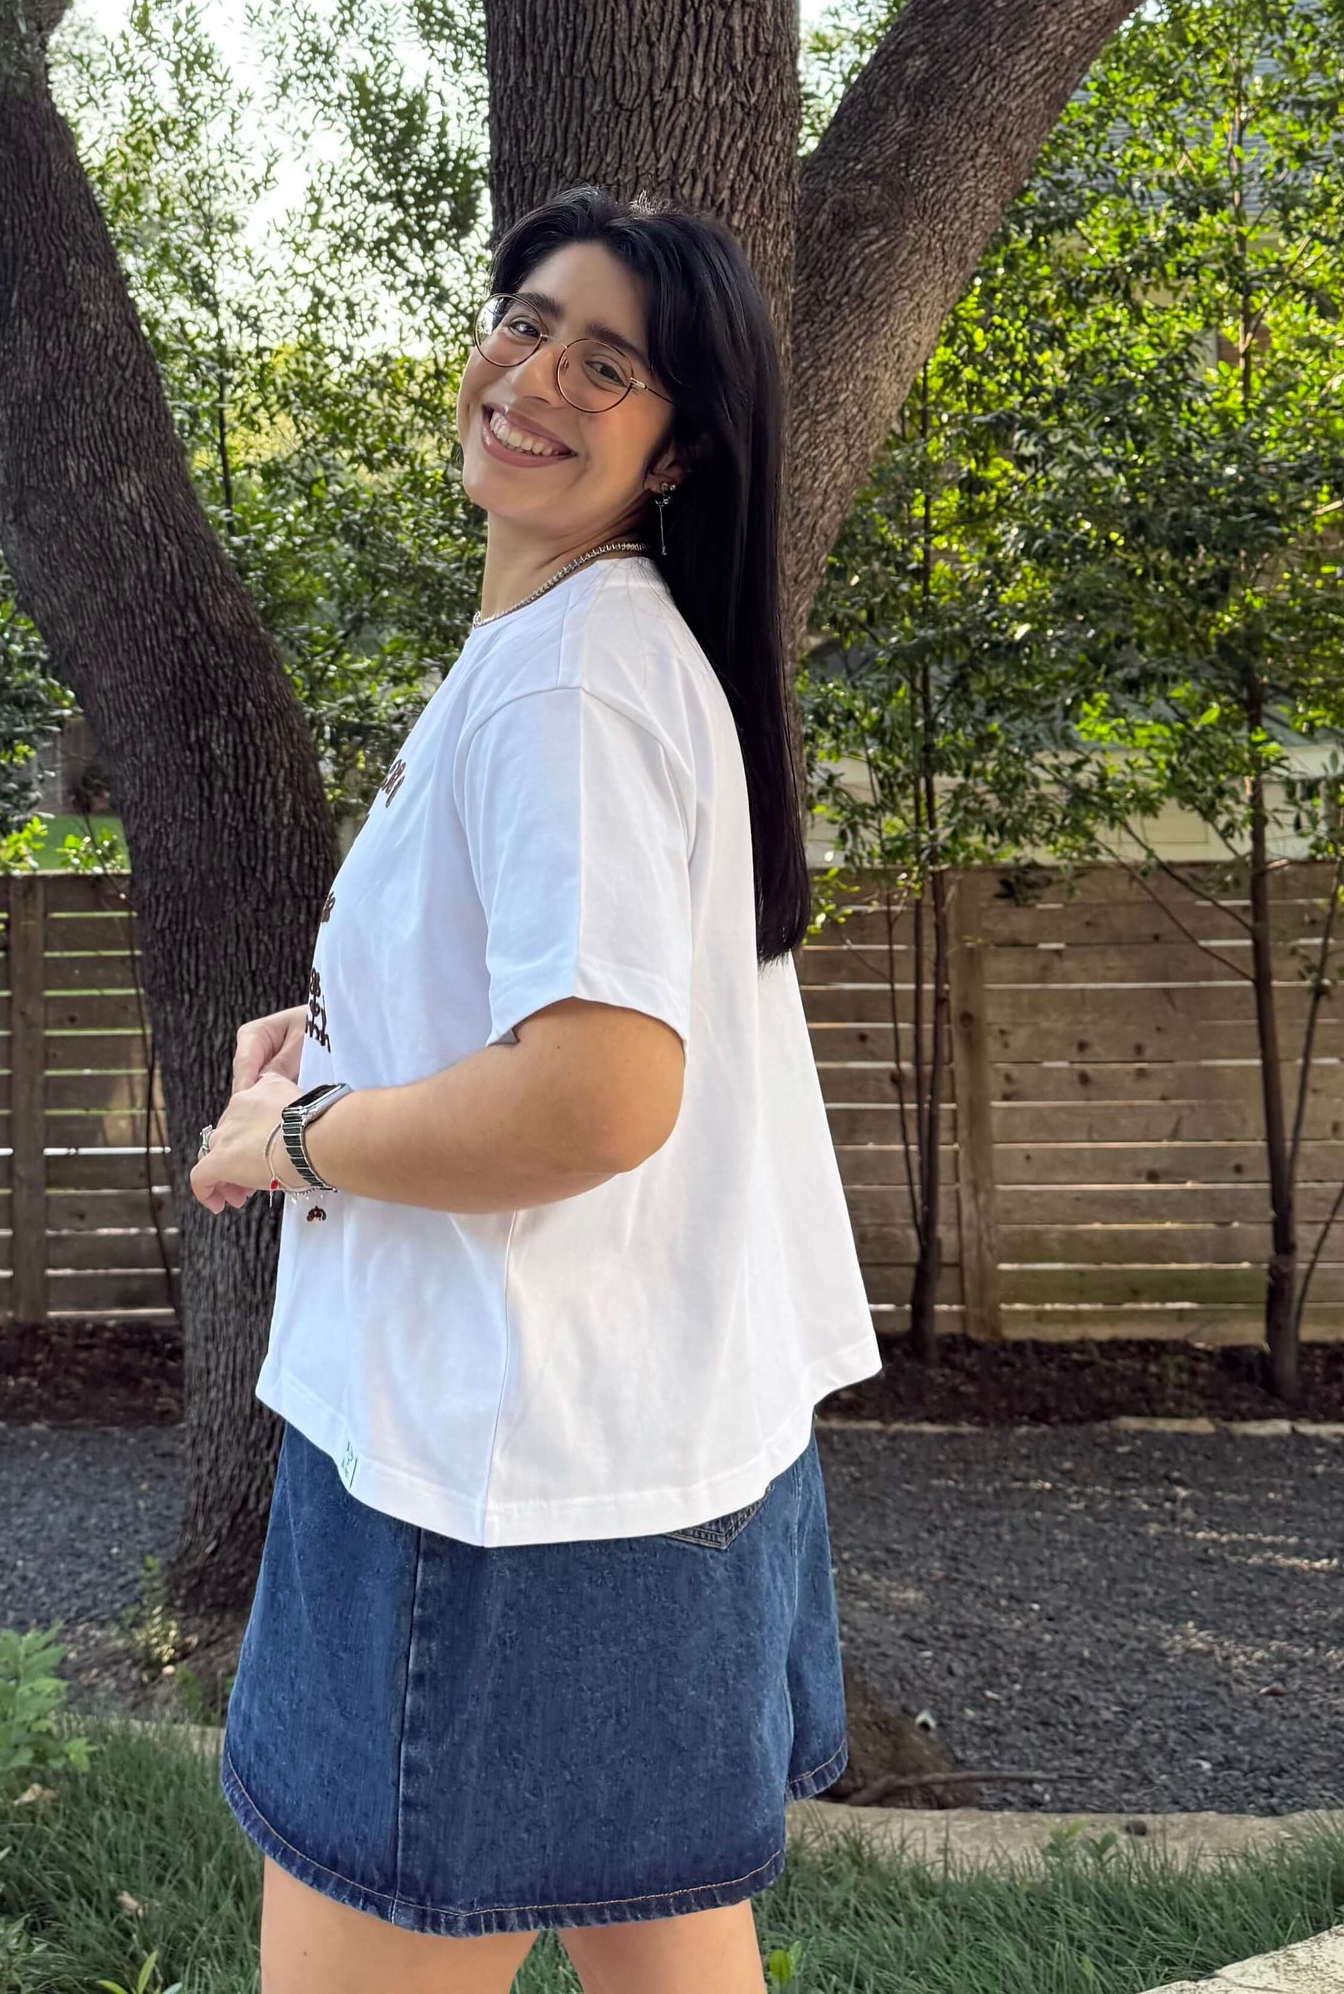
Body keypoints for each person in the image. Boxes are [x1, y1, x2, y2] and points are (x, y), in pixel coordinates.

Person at [188, 183, 881, 1994]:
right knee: (662, 1933)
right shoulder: (598, 650)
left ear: (677, 447)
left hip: (483, 1490)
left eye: (607, 364)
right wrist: (334, 1032)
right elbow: (552, 1003)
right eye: (525, 322)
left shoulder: (571, 682)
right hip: (631, 1454)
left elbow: (594, 1097)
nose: (537, 377)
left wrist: (299, 1137)